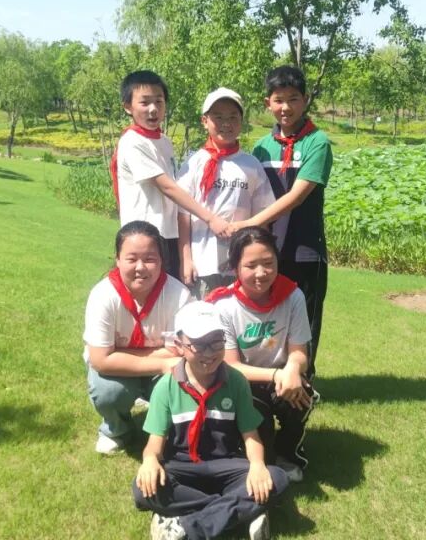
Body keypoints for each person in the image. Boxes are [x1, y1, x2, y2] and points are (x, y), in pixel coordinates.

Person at [133, 300, 287, 540]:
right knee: (143, 488)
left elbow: (251, 435)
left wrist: (257, 465)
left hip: (227, 464)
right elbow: (155, 443)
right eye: (199, 344)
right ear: (180, 345)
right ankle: (241, 510)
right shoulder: (166, 386)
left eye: (216, 342)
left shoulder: (236, 382)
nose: (209, 353)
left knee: (277, 478)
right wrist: (150, 460)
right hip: (182, 467)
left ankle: (187, 527)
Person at [237, 65, 333, 379]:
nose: (286, 107)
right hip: (268, 253)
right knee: (271, 318)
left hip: (305, 250)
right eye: (278, 100)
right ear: (268, 103)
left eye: (293, 99)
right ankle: (270, 380)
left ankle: (303, 382)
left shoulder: (317, 142)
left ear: (305, 100)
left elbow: (296, 197)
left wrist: (250, 223)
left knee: (305, 319)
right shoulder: (261, 147)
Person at [207, 227, 318, 484]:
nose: (261, 273)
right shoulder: (224, 305)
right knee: (262, 443)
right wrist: (278, 374)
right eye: (251, 265)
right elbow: (231, 365)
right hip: (242, 382)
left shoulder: (293, 296)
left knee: (301, 396)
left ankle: (289, 452)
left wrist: (293, 369)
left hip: (281, 376)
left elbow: (300, 353)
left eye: (268, 263)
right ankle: (261, 448)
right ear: (235, 267)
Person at [83, 220, 193, 455]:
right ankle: (116, 430)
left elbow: (179, 351)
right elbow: (101, 360)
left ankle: (166, 429)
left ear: (162, 260)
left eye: (150, 259)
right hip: (130, 370)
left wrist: (118, 354)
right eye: (132, 259)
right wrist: (162, 362)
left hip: (148, 368)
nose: (141, 267)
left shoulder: (179, 296)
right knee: (108, 392)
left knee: (187, 380)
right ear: (117, 259)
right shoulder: (103, 296)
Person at [113, 70, 232, 280]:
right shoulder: (132, 142)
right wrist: (210, 218)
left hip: (168, 234)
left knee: (169, 294)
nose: (153, 109)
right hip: (143, 237)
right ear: (127, 107)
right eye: (144, 102)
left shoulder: (164, 141)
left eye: (159, 101)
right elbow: (168, 187)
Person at [177, 87, 276, 299]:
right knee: (204, 315)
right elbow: (182, 214)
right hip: (203, 262)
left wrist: (261, 258)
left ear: (242, 121)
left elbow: (263, 216)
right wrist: (186, 259)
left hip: (242, 263)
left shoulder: (251, 165)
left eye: (233, 117)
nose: (226, 123)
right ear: (205, 121)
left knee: (240, 314)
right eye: (218, 117)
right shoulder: (193, 163)